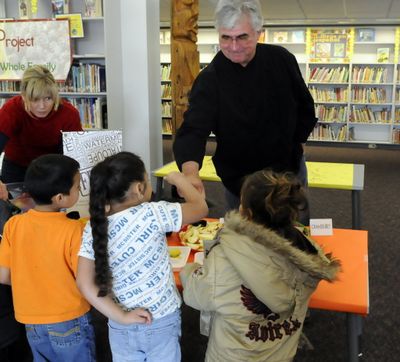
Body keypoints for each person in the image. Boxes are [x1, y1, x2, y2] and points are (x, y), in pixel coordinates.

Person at [180, 169, 341, 362]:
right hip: (281, 354)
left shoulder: (224, 259)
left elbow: (195, 296)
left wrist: (188, 271)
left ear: (244, 211)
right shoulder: (308, 254)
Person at [173, 0, 317, 213]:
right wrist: (190, 173)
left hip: (287, 171)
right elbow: (194, 129)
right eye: (226, 38)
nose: (233, 46)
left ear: (258, 32)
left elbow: (304, 105)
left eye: (242, 37)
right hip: (240, 178)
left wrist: (298, 141)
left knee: (294, 233)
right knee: (244, 238)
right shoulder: (210, 79)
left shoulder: (282, 60)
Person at [76, 151, 208, 362]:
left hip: (119, 323)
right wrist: (180, 180)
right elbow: (201, 208)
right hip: (161, 319)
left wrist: (120, 316)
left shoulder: (94, 227)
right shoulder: (153, 213)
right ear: (139, 188)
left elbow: (84, 283)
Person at [0, 154, 131, 362]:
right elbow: (86, 278)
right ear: (60, 198)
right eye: (78, 187)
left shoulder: (13, 225)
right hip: (69, 319)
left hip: (30, 320)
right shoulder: (74, 230)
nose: (80, 190)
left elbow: (4, 275)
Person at [0, 64, 83, 183]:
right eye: (35, 100)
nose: (42, 106)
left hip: (53, 169)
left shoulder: (69, 113)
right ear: (24, 96)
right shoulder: (11, 109)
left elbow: (75, 156)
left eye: (48, 98)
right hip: (16, 167)